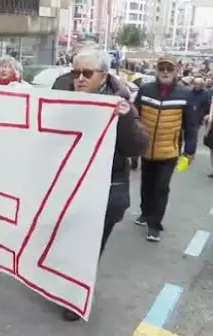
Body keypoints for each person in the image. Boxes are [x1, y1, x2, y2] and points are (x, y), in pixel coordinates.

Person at [51, 48, 148, 322]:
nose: (79, 78)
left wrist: (125, 117)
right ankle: (57, 281)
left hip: (105, 191)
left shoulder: (120, 102)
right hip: (63, 186)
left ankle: (74, 296)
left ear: (103, 75)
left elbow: (137, 147)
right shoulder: (60, 90)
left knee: (89, 246)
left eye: (87, 73)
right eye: (75, 72)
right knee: (61, 239)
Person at [133, 56, 198, 243]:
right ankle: (145, 212)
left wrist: (190, 151)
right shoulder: (145, 90)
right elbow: (135, 117)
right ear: (157, 70)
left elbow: (191, 126)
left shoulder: (185, 94)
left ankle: (154, 226)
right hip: (146, 149)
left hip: (169, 151)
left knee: (161, 187)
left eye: (169, 69)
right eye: (162, 68)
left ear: (176, 71)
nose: (165, 72)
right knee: (147, 185)